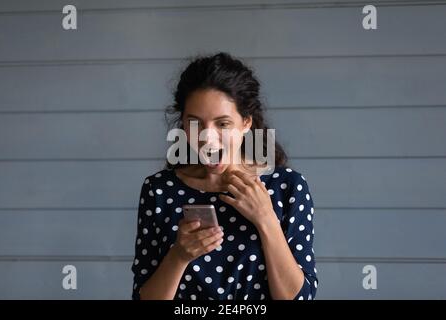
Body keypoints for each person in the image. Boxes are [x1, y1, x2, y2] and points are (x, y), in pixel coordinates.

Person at [131, 52, 318, 300]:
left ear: (246, 123)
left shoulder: (287, 187)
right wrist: (179, 256)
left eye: (222, 124)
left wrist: (266, 219)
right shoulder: (159, 191)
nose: (207, 137)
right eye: (194, 122)